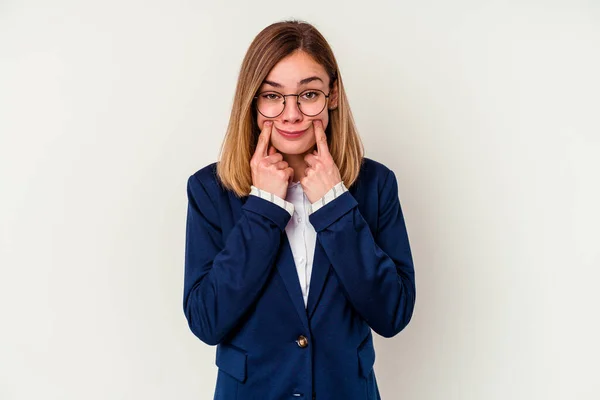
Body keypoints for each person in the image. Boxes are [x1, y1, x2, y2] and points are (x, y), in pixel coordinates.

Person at [183, 20, 416, 400]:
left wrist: (336, 205)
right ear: (252, 101)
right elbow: (207, 320)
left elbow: (392, 314)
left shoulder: (375, 185)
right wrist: (263, 210)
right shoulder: (210, 190)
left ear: (333, 95)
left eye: (308, 94)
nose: (291, 114)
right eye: (273, 96)